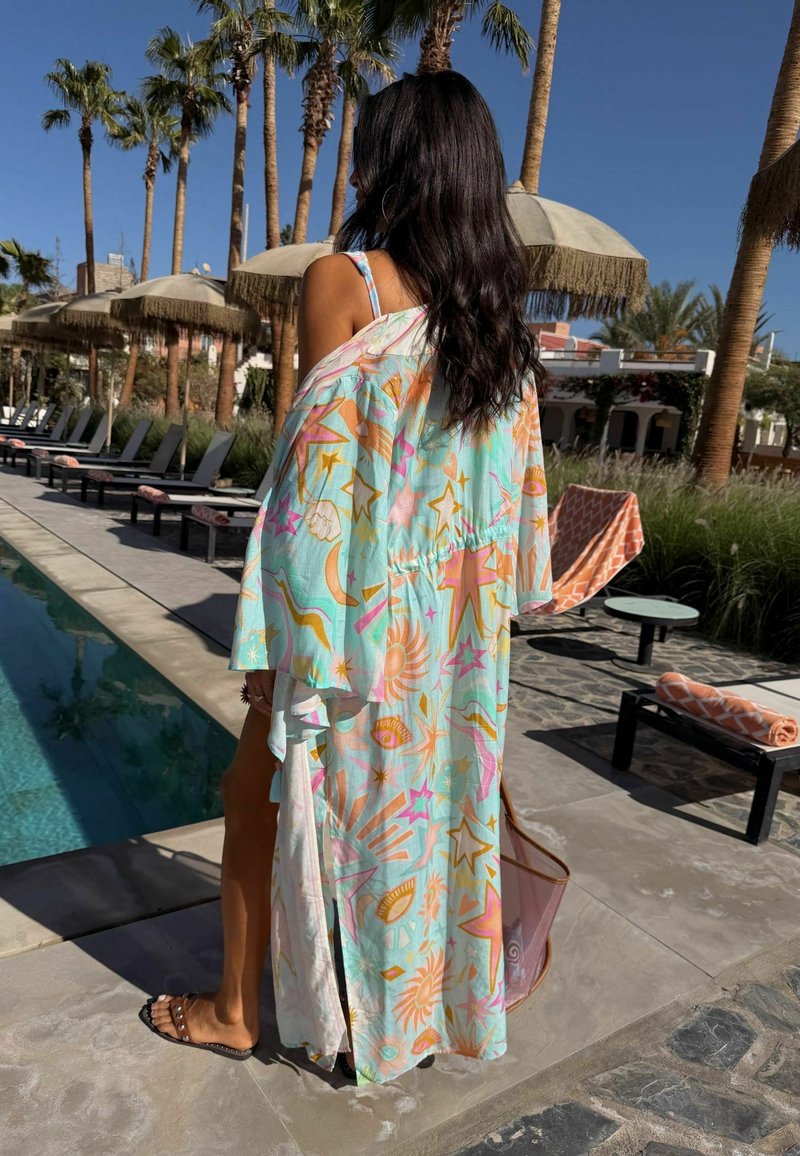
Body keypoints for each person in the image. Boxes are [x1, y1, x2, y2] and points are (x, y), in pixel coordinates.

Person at [141, 70, 552, 1086]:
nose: (358, 172)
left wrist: (276, 644)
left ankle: (237, 1011)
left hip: (353, 625)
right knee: (416, 828)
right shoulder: (498, 332)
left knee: (254, 794)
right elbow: (516, 516)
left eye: (368, 153)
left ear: (400, 166)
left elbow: (313, 494)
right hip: (451, 646)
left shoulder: (348, 284)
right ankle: (404, 1017)